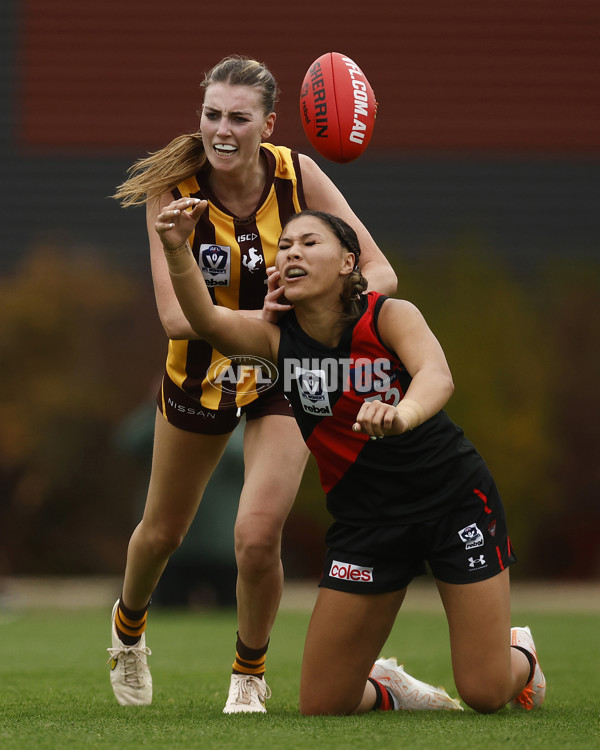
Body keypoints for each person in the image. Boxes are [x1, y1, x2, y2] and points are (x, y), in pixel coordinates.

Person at [154, 205, 546, 715]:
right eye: (285, 245)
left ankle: (522, 656)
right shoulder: (275, 340)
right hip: (366, 523)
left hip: (453, 506)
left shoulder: (389, 315)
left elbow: (436, 375)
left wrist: (402, 414)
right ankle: (391, 688)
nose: (292, 250)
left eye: (309, 242)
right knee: (322, 705)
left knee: (485, 692)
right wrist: (175, 247)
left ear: (348, 263)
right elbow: (204, 319)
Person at [107, 55, 400, 713]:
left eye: (239, 117)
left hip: (283, 374)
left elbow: (381, 272)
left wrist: (323, 301)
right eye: (212, 114)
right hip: (201, 371)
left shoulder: (299, 176)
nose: (222, 129)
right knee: (162, 533)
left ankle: (249, 673)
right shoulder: (174, 188)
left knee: (256, 534)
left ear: (268, 123)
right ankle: (128, 631)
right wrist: (261, 317)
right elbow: (175, 318)